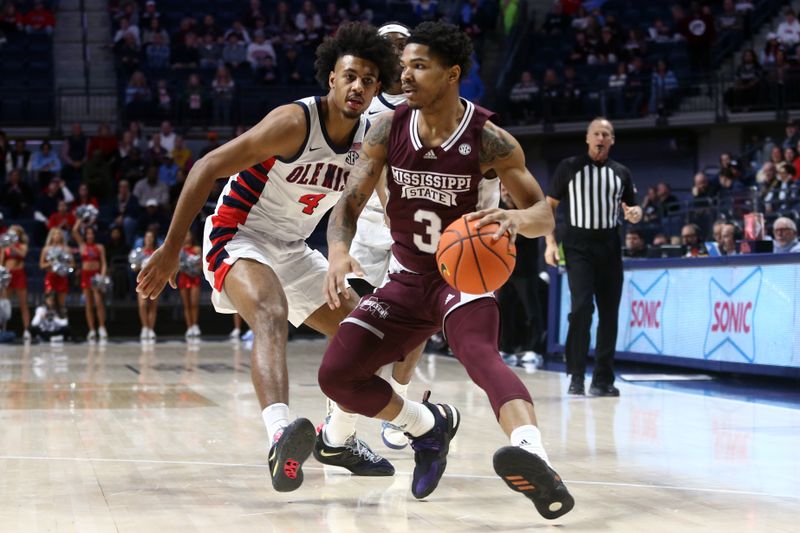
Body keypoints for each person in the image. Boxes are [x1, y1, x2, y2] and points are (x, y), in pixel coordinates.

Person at [318, 21, 574, 518]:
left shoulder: (489, 138)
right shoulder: (387, 127)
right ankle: (427, 426)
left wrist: (514, 218)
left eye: (419, 66)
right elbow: (348, 205)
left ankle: (535, 455)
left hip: (462, 277)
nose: (404, 75)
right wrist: (337, 251)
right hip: (405, 278)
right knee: (337, 376)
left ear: (452, 74)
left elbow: (543, 213)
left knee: (479, 353)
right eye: (403, 66)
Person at [135, 23, 399, 492]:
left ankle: (336, 439)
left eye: (369, 79)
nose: (358, 85)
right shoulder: (295, 122)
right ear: (332, 79)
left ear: (378, 88)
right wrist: (173, 248)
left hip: (294, 248)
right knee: (271, 313)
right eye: (350, 75)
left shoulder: (369, 139)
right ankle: (280, 434)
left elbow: (382, 201)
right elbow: (205, 167)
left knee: (365, 333)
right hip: (239, 235)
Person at [544, 117, 642, 397]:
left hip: (610, 244)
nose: (601, 137)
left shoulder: (621, 172)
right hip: (577, 244)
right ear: (588, 138)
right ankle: (576, 375)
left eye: (606, 134)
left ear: (612, 140)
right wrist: (549, 243)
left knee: (610, 313)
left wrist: (636, 214)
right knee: (582, 308)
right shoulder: (569, 167)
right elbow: (548, 207)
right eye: (597, 133)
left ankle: (603, 379)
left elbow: (633, 209)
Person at [72, 219, 108, 341]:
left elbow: (103, 263)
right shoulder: (82, 246)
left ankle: (102, 328)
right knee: (88, 304)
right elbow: (74, 231)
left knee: (99, 303)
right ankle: (92, 330)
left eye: (91, 233)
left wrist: (102, 276)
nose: (90, 235)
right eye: (87, 233)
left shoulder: (99, 247)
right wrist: (81, 218)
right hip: (85, 275)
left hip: (96, 276)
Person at [0, 225, 31, 340]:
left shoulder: (22, 246)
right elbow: (2, 262)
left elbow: (23, 255)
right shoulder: (5, 247)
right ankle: (3, 329)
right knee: (5, 304)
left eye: (15, 233)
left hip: (19, 275)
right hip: (8, 275)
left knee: (23, 304)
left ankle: (27, 330)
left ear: (19, 235)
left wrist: (12, 246)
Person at [39, 228, 73, 316]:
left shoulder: (67, 249)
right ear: (51, 236)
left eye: (59, 234)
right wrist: (52, 262)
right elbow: (41, 265)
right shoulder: (46, 249)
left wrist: (63, 266)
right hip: (51, 277)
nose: (57, 236)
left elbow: (72, 265)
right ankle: (49, 324)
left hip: (62, 277)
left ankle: (62, 323)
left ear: (62, 236)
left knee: (61, 304)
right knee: (49, 302)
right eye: (55, 234)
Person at [178, 231, 202, 338]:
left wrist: (195, 267)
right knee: (186, 304)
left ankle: (195, 325)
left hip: (194, 278)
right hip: (183, 277)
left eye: (189, 235)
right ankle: (189, 327)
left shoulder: (197, 249)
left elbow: (201, 265)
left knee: (194, 303)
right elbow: (176, 266)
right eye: (185, 235)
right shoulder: (179, 251)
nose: (187, 238)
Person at [137, 229, 159, 341]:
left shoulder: (157, 252)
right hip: (143, 280)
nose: (149, 239)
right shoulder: (139, 252)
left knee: (152, 305)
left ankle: (151, 329)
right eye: (147, 237)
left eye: (151, 237)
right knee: (142, 305)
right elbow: (135, 266)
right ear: (144, 239)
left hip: (155, 280)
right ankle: (145, 327)